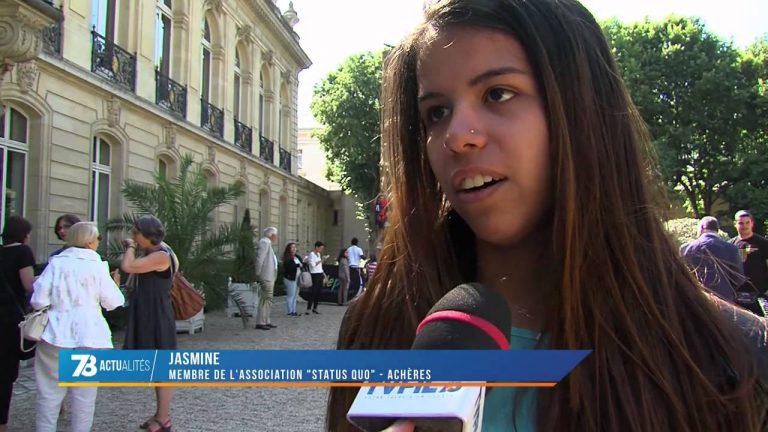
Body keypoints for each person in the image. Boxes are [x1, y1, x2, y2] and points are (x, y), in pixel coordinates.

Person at [326, 1, 768, 431]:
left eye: (498, 93)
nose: (457, 136)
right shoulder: (376, 328)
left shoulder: (731, 354)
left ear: (582, 113)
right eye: (437, 113)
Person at [30, 222, 124, 432]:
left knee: (49, 394)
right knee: (84, 396)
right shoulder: (97, 265)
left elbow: (38, 300)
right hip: (90, 334)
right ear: (90, 241)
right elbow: (113, 302)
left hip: (55, 332)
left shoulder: (56, 263)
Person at [121, 215, 178, 432]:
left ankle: (164, 419)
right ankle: (160, 415)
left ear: (148, 235)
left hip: (156, 313)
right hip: (150, 310)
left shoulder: (160, 255)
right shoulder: (161, 251)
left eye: (136, 233)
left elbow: (129, 266)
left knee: (162, 366)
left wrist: (130, 248)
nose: (132, 236)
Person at [0, 216, 35, 432]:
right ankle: (2, 423)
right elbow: (28, 284)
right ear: (24, 234)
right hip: (9, 318)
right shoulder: (23, 252)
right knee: (5, 373)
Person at [680, 216, 744, 305]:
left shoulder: (686, 248)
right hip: (724, 300)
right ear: (717, 229)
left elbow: (682, 276)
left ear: (701, 228)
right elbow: (738, 277)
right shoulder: (731, 249)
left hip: (696, 300)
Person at [730, 210, 768, 316]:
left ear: (752, 223)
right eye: (741, 223)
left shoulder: (763, 243)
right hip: (737, 295)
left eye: (747, 222)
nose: (744, 226)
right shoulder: (730, 245)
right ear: (735, 224)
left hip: (760, 295)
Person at [255, 227, 279, 330]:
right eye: (275, 235)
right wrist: (258, 273)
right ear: (271, 235)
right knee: (265, 299)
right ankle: (260, 322)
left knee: (268, 299)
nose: (276, 237)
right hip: (266, 275)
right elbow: (260, 259)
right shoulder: (264, 242)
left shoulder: (268, 243)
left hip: (270, 275)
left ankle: (266, 320)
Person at [304, 241, 326, 314]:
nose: (321, 250)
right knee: (313, 291)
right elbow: (313, 265)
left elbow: (320, 265)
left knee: (318, 292)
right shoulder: (311, 254)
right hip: (314, 274)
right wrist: (321, 260)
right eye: (320, 248)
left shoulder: (318, 254)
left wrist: (323, 273)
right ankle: (309, 308)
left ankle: (315, 307)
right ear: (316, 247)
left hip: (320, 273)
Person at [282, 242, 302, 316]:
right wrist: (298, 265)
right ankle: (290, 311)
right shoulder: (287, 257)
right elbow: (289, 267)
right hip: (290, 278)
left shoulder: (297, 257)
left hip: (297, 277)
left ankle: (294, 310)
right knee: (290, 295)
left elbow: (301, 265)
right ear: (289, 249)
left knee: (295, 295)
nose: (294, 249)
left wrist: (303, 263)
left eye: (295, 247)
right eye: (292, 247)